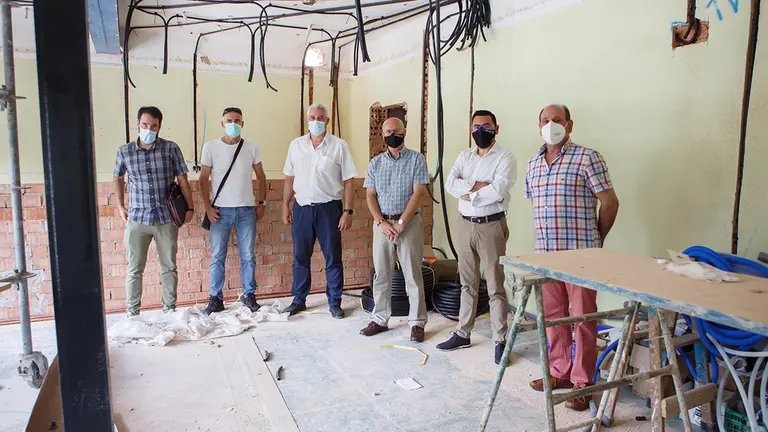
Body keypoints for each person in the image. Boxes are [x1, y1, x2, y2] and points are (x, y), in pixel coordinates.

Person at [525, 104, 619, 411]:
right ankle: (559, 372)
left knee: (583, 319)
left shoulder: (588, 158)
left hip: (581, 256)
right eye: (545, 120)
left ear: (570, 124)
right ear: (538, 125)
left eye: (557, 120)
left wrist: (597, 240)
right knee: (553, 317)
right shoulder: (533, 165)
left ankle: (583, 382)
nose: (551, 125)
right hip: (546, 256)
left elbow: (609, 202)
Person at [437, 109, 517, 365]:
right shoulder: (464, 156)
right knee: (467, 283)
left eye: (486, 126)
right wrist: (478, 186)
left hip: (491, 226)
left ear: (496, 128)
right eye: (476, 127)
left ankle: (499, 339)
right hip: (464, 225)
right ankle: (463, 333)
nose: (480, 131)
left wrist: (467, 189)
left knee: (494, 285)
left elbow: (499, 190)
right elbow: (451, 184)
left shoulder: (505, 157)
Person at [113, 106, 194, 316]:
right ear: (138, 124)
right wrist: (120, 205)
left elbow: (182, 178)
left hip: (166, 218)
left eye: (154, 126)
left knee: (169, 266)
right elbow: (117, 177)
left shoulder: (170, 148)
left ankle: (169, 309)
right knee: (134, 269)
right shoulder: (125, 151)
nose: (149, 129)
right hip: (138, 218)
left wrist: (190, 206)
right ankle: (132, 312)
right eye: (145, 125)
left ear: (160, 126)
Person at [282, 103, 357, 318]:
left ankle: (334, 301)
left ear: (328, 121)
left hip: (329, 210)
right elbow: (289, 178)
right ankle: (299, 300)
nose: (316, 121)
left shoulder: (339, 146)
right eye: (312, 117)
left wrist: (348, 211)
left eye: (320, 117)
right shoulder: (296, 146)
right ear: (307, 120)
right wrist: (285, 205)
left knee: (333, 258)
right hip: (302, 209)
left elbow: (349, 181)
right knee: (300, 257)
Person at [359, 117, 429, 342]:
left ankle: (417, 323)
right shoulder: (375, 163)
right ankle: (380, 318)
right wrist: (381, 222)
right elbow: (369, 195)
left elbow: (419, 193)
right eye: (388, 131)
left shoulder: (417, 160)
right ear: (383, 134)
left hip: (408, 225)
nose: (392, 134)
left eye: (396, 131)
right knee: (382, 275)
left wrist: (400, 224)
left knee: (413, 275)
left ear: (404, 132)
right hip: (382, 225)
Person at [199, 107, 267, 315]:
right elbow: (202, 179)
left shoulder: (251, 148)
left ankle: (249, 295)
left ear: (243, 124)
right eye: (229, 120)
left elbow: (261, 177)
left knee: (248, 255)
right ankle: (215, 298)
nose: (233, 124)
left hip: (246, 210)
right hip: (219, 212)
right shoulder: (210, 148)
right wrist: (208, 207)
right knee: (218, 256)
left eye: (237, 121)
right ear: (222, 123)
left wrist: (261, 202)